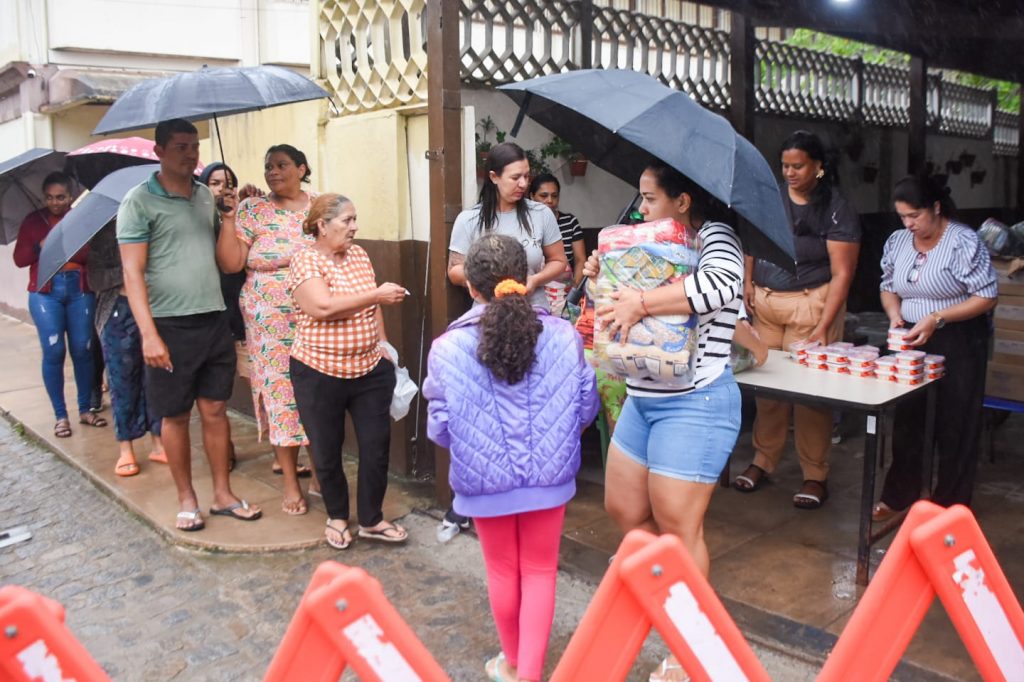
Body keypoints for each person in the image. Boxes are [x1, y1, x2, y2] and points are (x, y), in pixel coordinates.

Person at [583, 161, 744, 682]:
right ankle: (672, 595)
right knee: (624, 507)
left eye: (650, 198)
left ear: (683, 201)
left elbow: (720, 287)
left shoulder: (716, 237)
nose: (641, 208)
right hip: (643, 396)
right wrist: (602, 277)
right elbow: (614, 307)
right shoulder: (644, 240)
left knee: (678, 526)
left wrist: (642, 300)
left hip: (696, 401)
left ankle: (690, 649)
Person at [423, 234, 599, 682]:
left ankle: (514, 662)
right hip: (550, 479)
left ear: (471, 287)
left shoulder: (447, 348)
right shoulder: (563, 336)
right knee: (540, 571)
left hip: (483, 483)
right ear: (527, 277)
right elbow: (585, 407)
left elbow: (440, 428)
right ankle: (529, 674)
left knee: (501, 572)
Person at [117, 118, 261, 532]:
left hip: (213, 319)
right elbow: (132, 272)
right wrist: (148, 335)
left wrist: (230, 217)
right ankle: (187, 499)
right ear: (159, 151)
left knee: (215, 410)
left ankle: (223, 494)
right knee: (176, 416)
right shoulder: (139, 202)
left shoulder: (203, 197)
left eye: (194, 146)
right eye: (180, 146)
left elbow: (228, 264)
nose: (190, 153)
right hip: (168, 325)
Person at [734, 130, 861, 509]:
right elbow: (753, 242)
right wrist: (747, 281)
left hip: (811, 305)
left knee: (810, 396)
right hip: (766, 303)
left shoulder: (835, 208)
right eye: (785, 165)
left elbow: (842, 274)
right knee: (767, 389)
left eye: (798, 166)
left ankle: (814, 474)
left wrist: (823, 327)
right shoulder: (771, 198)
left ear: (818, 166)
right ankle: (763, 459)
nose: (789, 173)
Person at [287, 193, 408, 549]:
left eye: (355, 219)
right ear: (322, 225)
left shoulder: (359, 255)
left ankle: (371, 519)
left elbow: (374, 305)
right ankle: (337, 516)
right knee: (327, 448)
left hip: (369, 367)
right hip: (318, 370)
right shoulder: (305, 260)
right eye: (347, 220)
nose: (354, 227)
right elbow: (322, 307)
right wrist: (376, 296)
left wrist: (383, 345)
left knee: (376, 446)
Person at [873, 176, 997, 520]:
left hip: (958, 338)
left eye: (915, 216)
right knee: (907, 417)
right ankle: (899, 494)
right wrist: (895, 314)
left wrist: (937, 318)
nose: (909, 224)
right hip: (910, 337)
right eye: (903, 217)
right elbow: (888, 285)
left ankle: (950, 505)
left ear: (936, 208)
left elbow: (986, 296)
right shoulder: (898, 241)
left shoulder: (962, 242)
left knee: (956, 420)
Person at [215, 146, 317, 515]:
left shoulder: (320, 206)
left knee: (317, 391)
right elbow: (231, 264)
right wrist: (229, 219)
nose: (273, 172)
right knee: (280, 393)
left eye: (281, 165)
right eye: (268, 166)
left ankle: (321, 471)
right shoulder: (251, 209)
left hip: (315, 314)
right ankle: (290, 482)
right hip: (267, 319)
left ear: (301, 169)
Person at [13, 171, 106, 438]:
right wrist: (40, 246)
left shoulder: (80, 219)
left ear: (71, 196)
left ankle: (85, 409)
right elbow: (20, 259)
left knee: (83, 349)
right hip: (45, 293)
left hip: (79, 290)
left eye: (61, 197)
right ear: (44, 197)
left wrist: (65, 244)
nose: (55, 202)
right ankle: (60, 416)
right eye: (50, 197)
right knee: (54, 351)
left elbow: (91, 255)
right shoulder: (33, 221)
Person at [448, 142, 567, 311]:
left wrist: (535, 280)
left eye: (526, 176)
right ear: (494, 177)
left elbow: (558, 260)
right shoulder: (468, 219)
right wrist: (487, 280)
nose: (523, 184)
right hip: (487, 313)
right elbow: (454, 270)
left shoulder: (541, 214)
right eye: (515, 177)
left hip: (534, 311)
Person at [87, 222, 165, 476]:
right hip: (117, 311)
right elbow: (94, 278)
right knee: (122, 381)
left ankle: (159, 441)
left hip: (157, 305)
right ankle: (126, 448)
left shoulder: (154, 224)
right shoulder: (104, 232)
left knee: (156, 377)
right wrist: (131, 270)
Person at [529, 173, 585, 315]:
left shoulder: (569, 222)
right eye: (543, 195)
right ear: (532, 196)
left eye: (554, 196)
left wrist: (574, 289)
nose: (550, 200)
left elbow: (580, 259)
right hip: (534, 294)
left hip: (565, 293)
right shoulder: (526, 225)